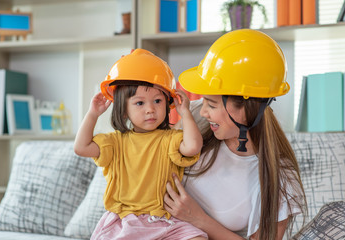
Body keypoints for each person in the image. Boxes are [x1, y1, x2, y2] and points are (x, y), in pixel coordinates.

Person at [164, 29, 307, 240]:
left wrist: (198, 218)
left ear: (246, 107)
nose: (203, 110)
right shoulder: (196, 116)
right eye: (203, 101)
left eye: (211, 104)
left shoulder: (281, 178)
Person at [74, 49, 208, 240]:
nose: (150, 109)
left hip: (166, 220)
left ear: (167, 103)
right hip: (125, 221)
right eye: (139, 103)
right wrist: (92, 114)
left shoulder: (169, 139)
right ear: (123, 110)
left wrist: (185, 112)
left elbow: (193, 146)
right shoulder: (115, 142)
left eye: (157, 101)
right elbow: (81, 147)